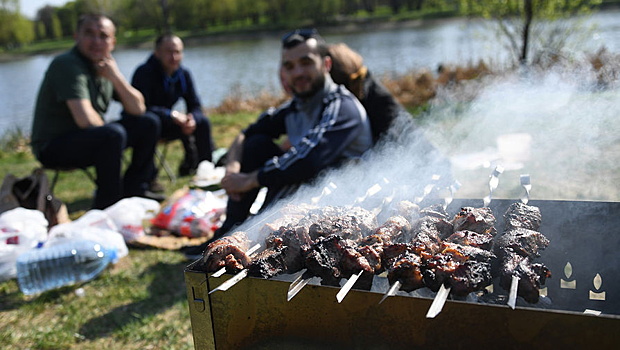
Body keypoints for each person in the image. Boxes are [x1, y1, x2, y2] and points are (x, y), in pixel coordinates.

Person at [217, 28, 373, 236]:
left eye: (306, 63)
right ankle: (230, 229)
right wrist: (232, 171)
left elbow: (309, 159)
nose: (298, 73)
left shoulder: (342, 107)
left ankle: (254, 232)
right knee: (257, 144)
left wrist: (250, 179)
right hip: (307, 190)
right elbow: (246, 134)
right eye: (289, 66)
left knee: (295, 170)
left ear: (326, 64)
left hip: (347, 202)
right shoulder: (295, 107)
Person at [30, 14, 163, 210]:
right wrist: (115, 134)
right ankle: (108, 205)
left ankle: (135, 190)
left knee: (149, 123)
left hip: (88, 138)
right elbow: (85, 120)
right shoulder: (67, 64)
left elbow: (138, 108)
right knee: (112, 135)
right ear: (77, 36)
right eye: (89, 34)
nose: (96, 41)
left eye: (103, 36)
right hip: (53, 146)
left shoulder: (105, 67)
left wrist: (115, 76)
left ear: (113, 42)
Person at [131, 34, 215, 177]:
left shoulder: (183, 74)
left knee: (203, 122)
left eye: (178, 52)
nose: (174, 57)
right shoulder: (144, 73)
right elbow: (141, 108)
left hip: (169, 123)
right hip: (147, 124)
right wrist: (172, 115)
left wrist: (192, 119)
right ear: (157, 53)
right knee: (151, 123)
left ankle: (205, 170)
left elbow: (195, 105)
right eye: (169, 52)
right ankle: (147, 178)